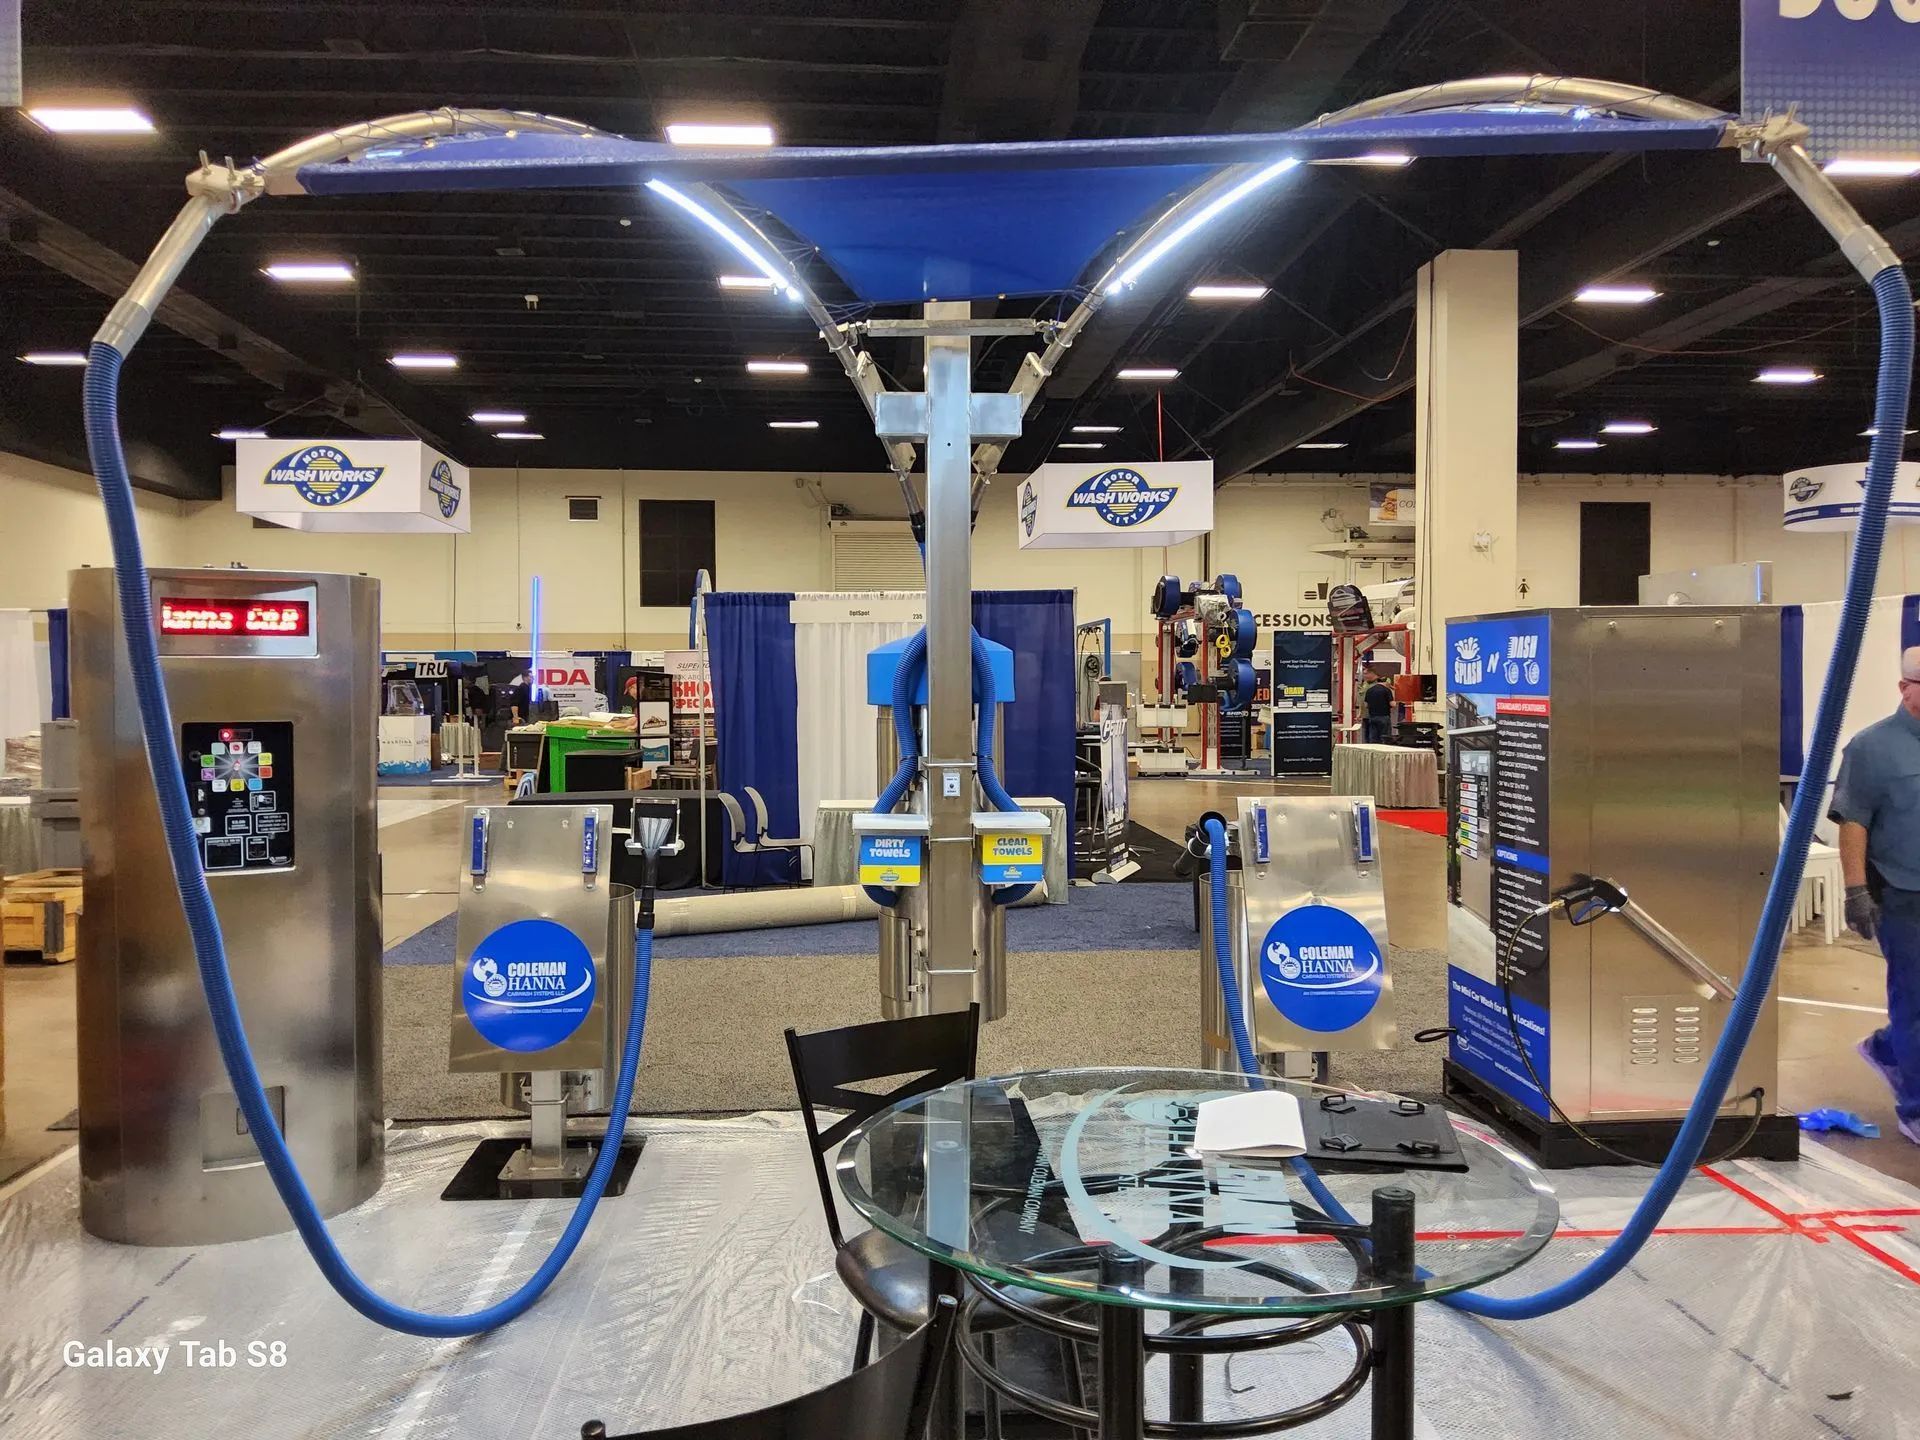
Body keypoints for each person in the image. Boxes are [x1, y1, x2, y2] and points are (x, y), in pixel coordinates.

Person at [1832, 645, 1920, 1144]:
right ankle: (1916, 1108)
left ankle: (1888, 1048)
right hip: (1904, 894)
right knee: (1915, 999)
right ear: (1906, 689)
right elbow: (1853, 822)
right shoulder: (1871, 748)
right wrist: (1856, 891)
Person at [1362, 670, 1394, 744]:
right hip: (1384, 717)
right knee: (1385, 738)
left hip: (1372, 717)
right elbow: (1393, 704)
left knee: (1373, 738)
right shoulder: (1386, 690)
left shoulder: (1369, 690)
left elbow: (1366, 705)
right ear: (1386, 682)